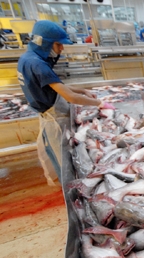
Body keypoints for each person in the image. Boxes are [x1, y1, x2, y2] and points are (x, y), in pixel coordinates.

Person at [17, 21, 115, 185]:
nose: (61, 49)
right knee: (65, 161)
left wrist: (82, 91)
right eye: (58, 44)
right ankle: (72, 190)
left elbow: (56, 86)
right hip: (55, 120)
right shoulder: (38, 64)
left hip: (49, 115)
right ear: (45, 42)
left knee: (61, 155)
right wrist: (99, 103)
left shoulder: (28, 58)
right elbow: (70, 97)